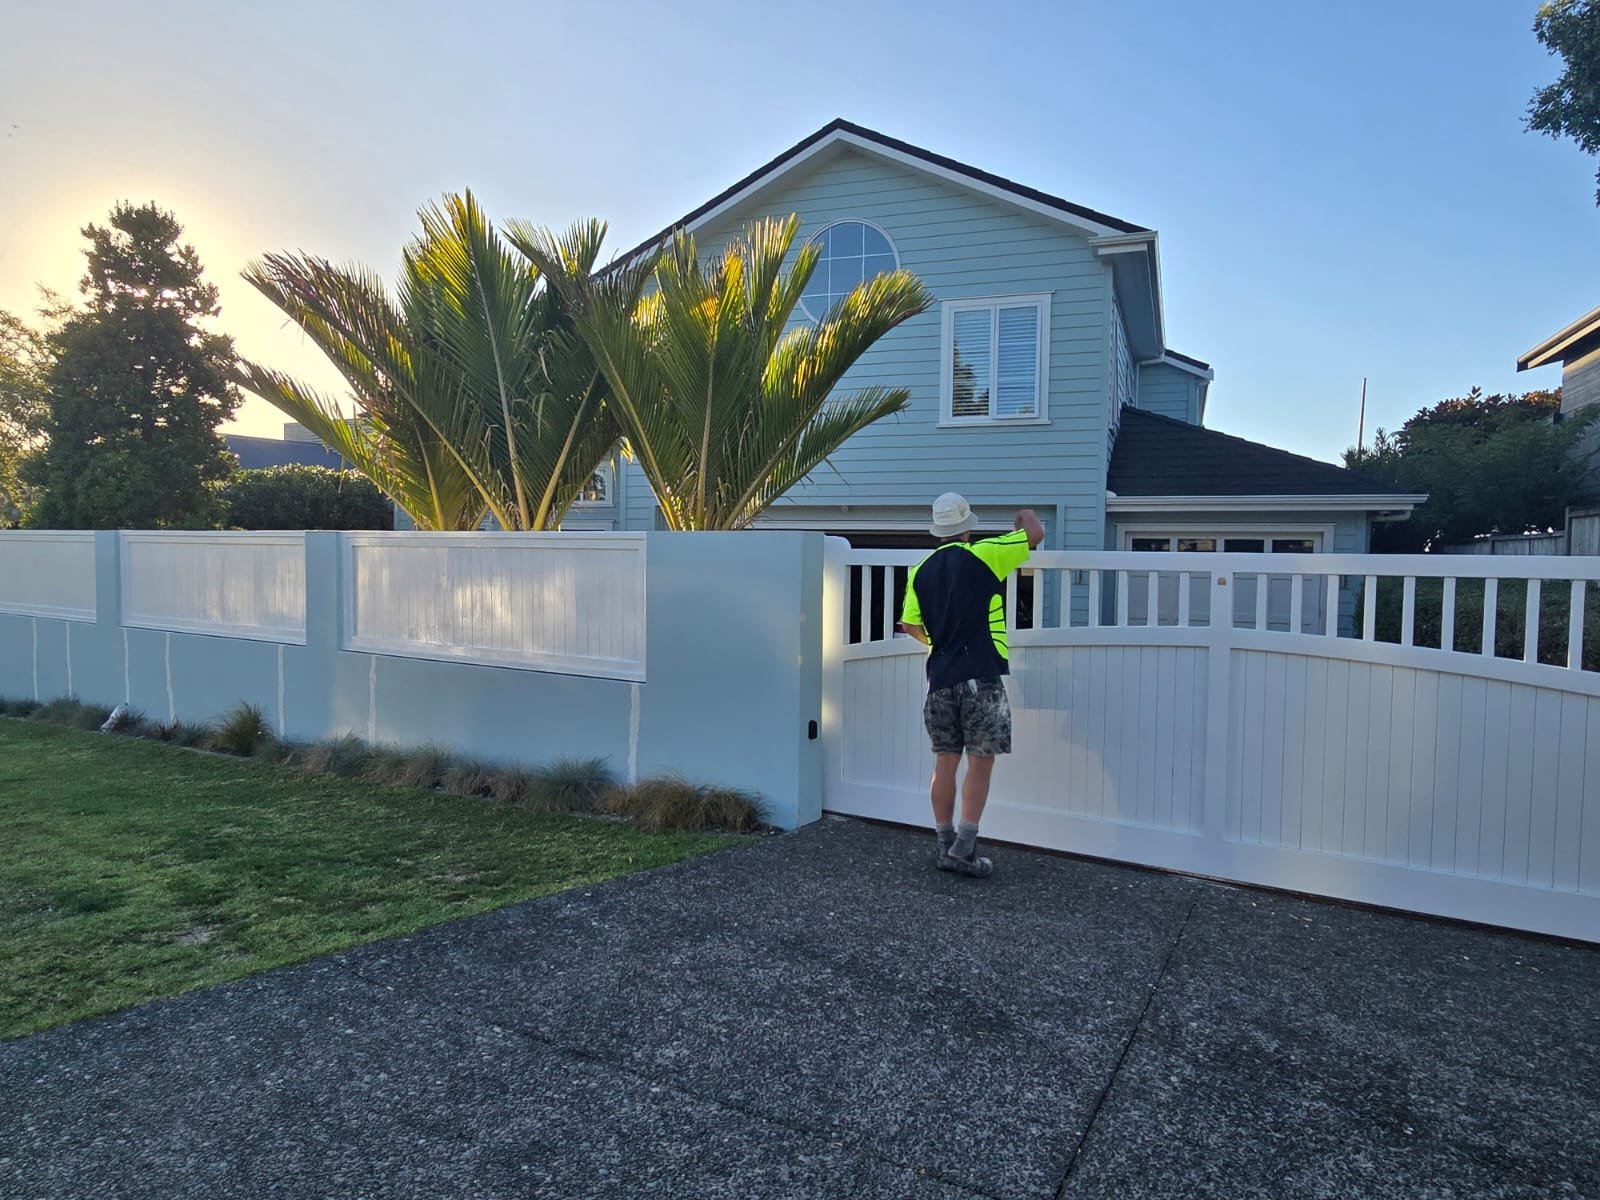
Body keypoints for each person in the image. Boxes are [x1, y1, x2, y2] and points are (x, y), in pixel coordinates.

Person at [898, 493, 1046, 877]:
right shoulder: (985, 554)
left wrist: (938, 642)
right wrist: (1023, 513)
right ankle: (964, 848)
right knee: (980, 763)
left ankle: (944, 846)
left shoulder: (919, 571)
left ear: (937, 530)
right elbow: (1034, 534)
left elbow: (910, 625)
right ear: (967, 528)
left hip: (939, 682)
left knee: (944, 763)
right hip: (980, 676)